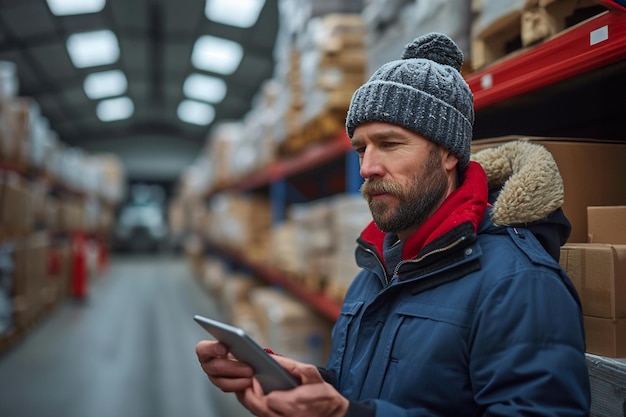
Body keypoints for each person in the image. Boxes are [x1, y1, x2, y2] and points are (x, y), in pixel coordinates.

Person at [196, 32, 591, 416]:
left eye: (389, 144)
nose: (367, 167)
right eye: (361, 149)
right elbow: (369, 391)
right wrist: (315, 384)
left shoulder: (518, 282)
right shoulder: (375, 270)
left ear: (449, 154)